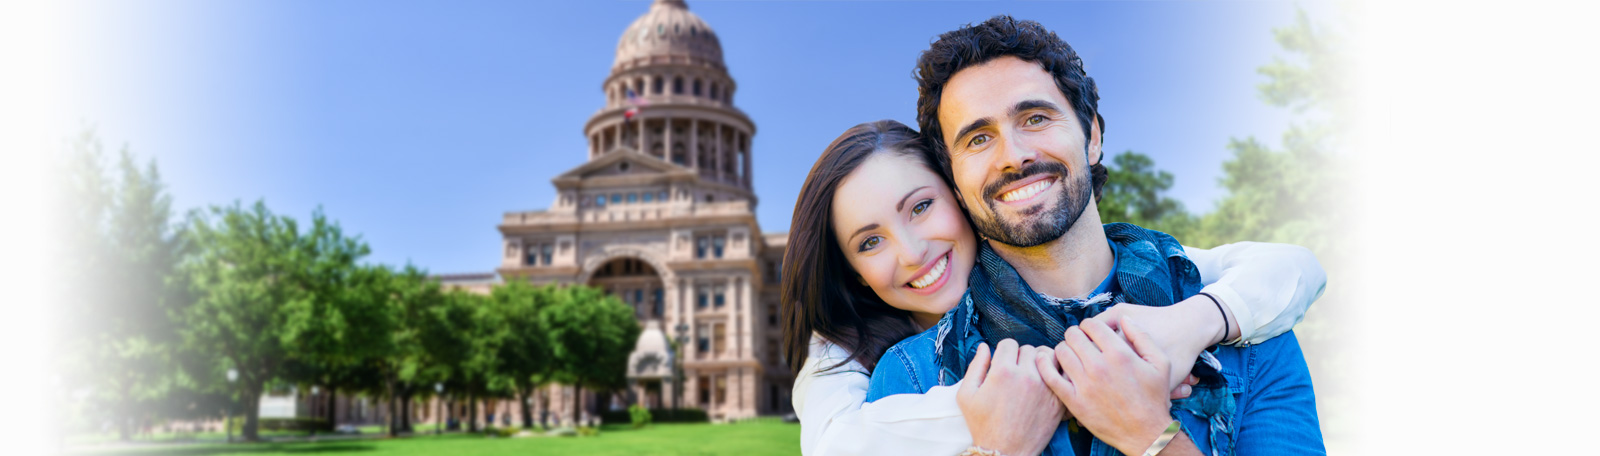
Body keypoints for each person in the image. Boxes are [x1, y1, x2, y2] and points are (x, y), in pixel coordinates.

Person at [864, 16, 1324, 455]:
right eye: (978, 139)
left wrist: (1150, 436)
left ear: (1092, 137)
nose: (1014, 155)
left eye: (1036, 118)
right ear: (955, 182)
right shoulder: (911, 375)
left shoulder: (1244, 326)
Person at [784, 119, 1325, 455]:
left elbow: (1284, 267)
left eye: (921, 207)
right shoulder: (879, 369)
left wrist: (1189, 335)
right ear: (852, 272)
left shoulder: (1192, 297)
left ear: (960, 191)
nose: (911, 252)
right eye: (869, 242)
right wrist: (1003, 438)